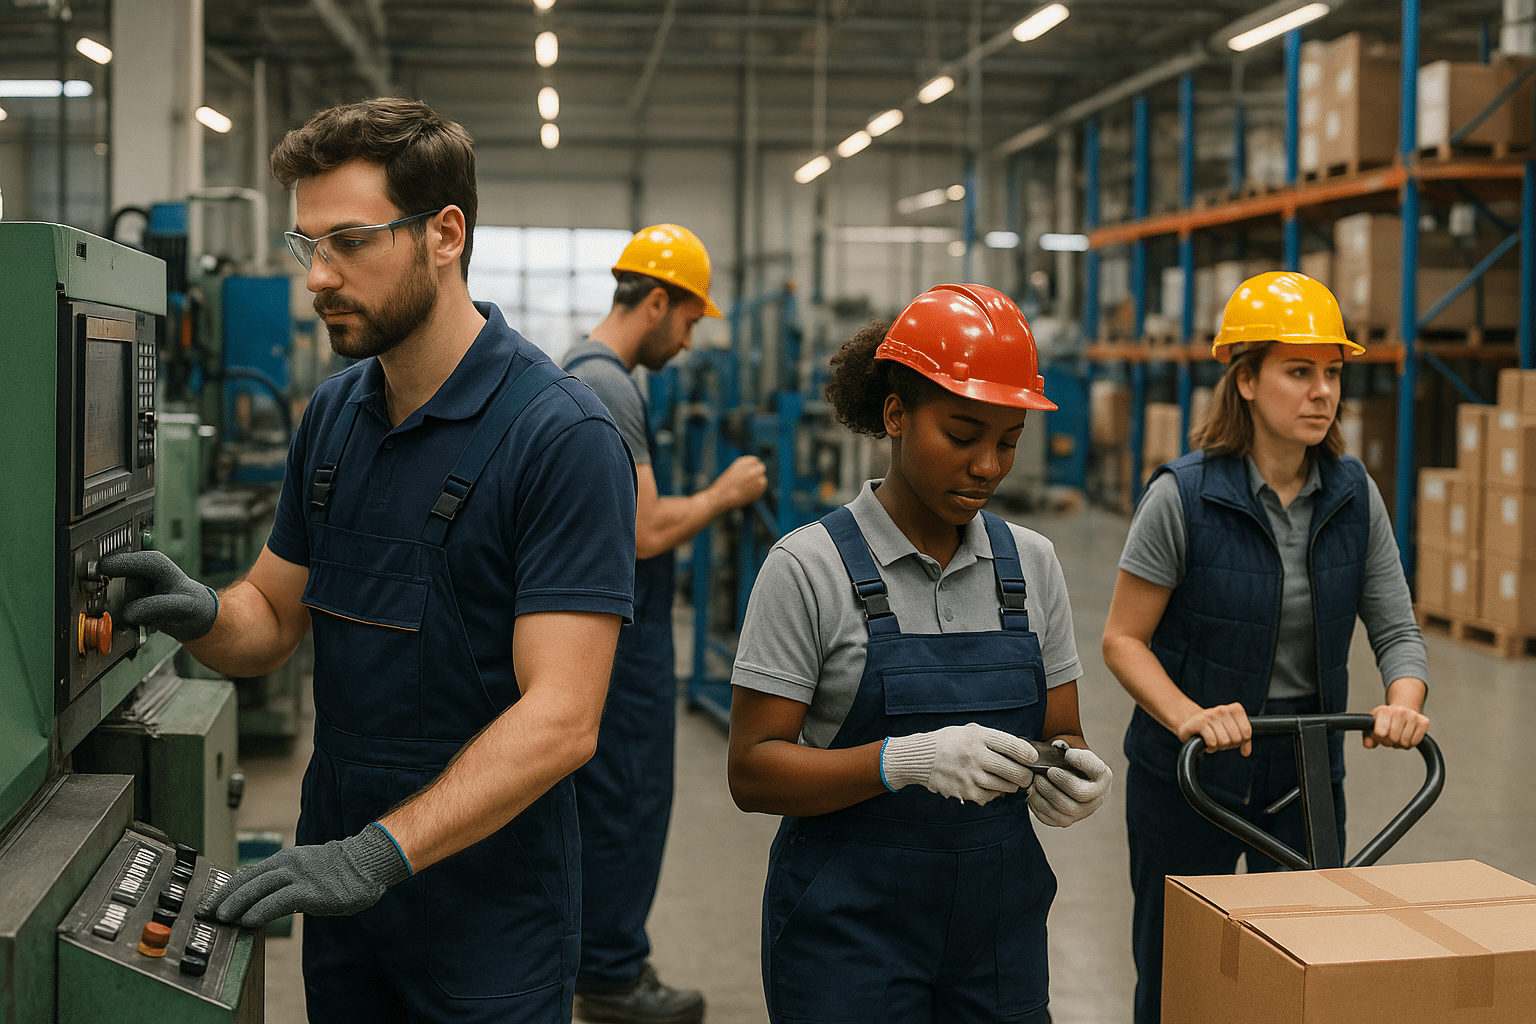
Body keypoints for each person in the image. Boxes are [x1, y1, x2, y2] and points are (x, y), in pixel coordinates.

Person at [100, 98, 639, 1023]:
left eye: (349, 242)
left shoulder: (562, 437)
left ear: (445, 234)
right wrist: (204, 612)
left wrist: (379, 854)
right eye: (308, 245)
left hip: (487, 914)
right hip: (343, 897)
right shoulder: (335, 417)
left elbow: (561, 719)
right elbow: (274, 617)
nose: (318, 277)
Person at [726, 283, 1114, 1024]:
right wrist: (903, 761)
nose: (987, 466)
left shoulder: (1032, 565)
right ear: (896, 416)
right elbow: (753, 770)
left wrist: (1071, 775)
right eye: (963, 436)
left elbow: (1061, 731)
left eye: (1008, 441)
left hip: (998, 935)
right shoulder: (807, 568)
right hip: (850, 937)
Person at [1100, 271, 1431, 1024]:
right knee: (1182, 980)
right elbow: (1124, 639)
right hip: (1190, 773)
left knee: (1305, 978)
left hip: (1305, 769)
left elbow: (1396, 629)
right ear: (1245, 380)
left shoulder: (1354, 495)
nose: (1323, 393)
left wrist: (1403, 703)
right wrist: (1188, 716)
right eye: (1299, 372)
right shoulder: (1182, 496)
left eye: (1333, 374)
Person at [560, 224, 767, 1024]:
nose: (687, 341)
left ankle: (600, 960)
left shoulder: (582, 370)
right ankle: (612, 978)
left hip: (611, 623)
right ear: (655, 302)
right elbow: (645, 530)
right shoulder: (610, 386)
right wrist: (723, 494)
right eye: (687, 320)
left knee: (610, 799)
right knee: (628, 799)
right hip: (624, 634)